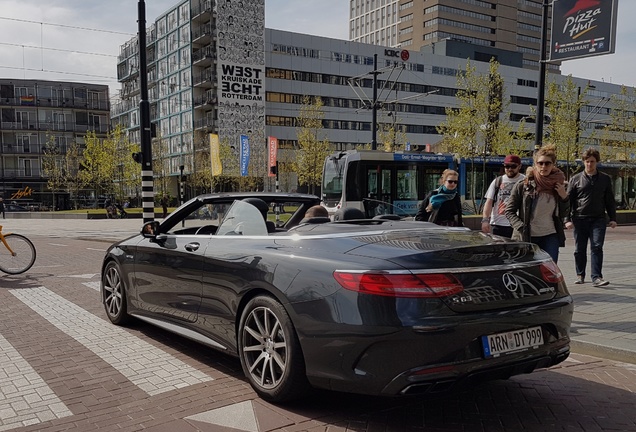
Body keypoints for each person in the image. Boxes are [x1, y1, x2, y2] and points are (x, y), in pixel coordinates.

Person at [505, 144, 569, 263]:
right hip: (527, 235)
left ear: (553, 165)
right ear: (535, 164)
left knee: (550, 269)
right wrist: (520, 227)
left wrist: (564, 197)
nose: (543, 166)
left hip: (550, 234)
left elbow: (565, 212)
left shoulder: (559, 185)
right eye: (540, 163)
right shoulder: (523, 185)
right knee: (529, 270)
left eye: (547, 163)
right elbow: (509, 211)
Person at [565, 147, 617, 287]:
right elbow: (568, 201)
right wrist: (567, 220)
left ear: (597, 162)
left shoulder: (605, 179)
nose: (589, 164)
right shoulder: (575, 179)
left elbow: (609, 200)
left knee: (597, 246)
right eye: (587, 161)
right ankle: (580, 274)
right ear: (583, 162)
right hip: (580, 218)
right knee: (579, 249)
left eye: (592, 161)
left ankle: (596, 277)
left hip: (598, 219)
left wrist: (613, 218)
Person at [481, 155, 525, 238]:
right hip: (498, 224)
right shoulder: (498, 181)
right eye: (507, 166)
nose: (509, 169)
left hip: (517, 225)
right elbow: (489, 202)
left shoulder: (525, 180)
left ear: (519, 166)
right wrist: (485, 220)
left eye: (513, 166)